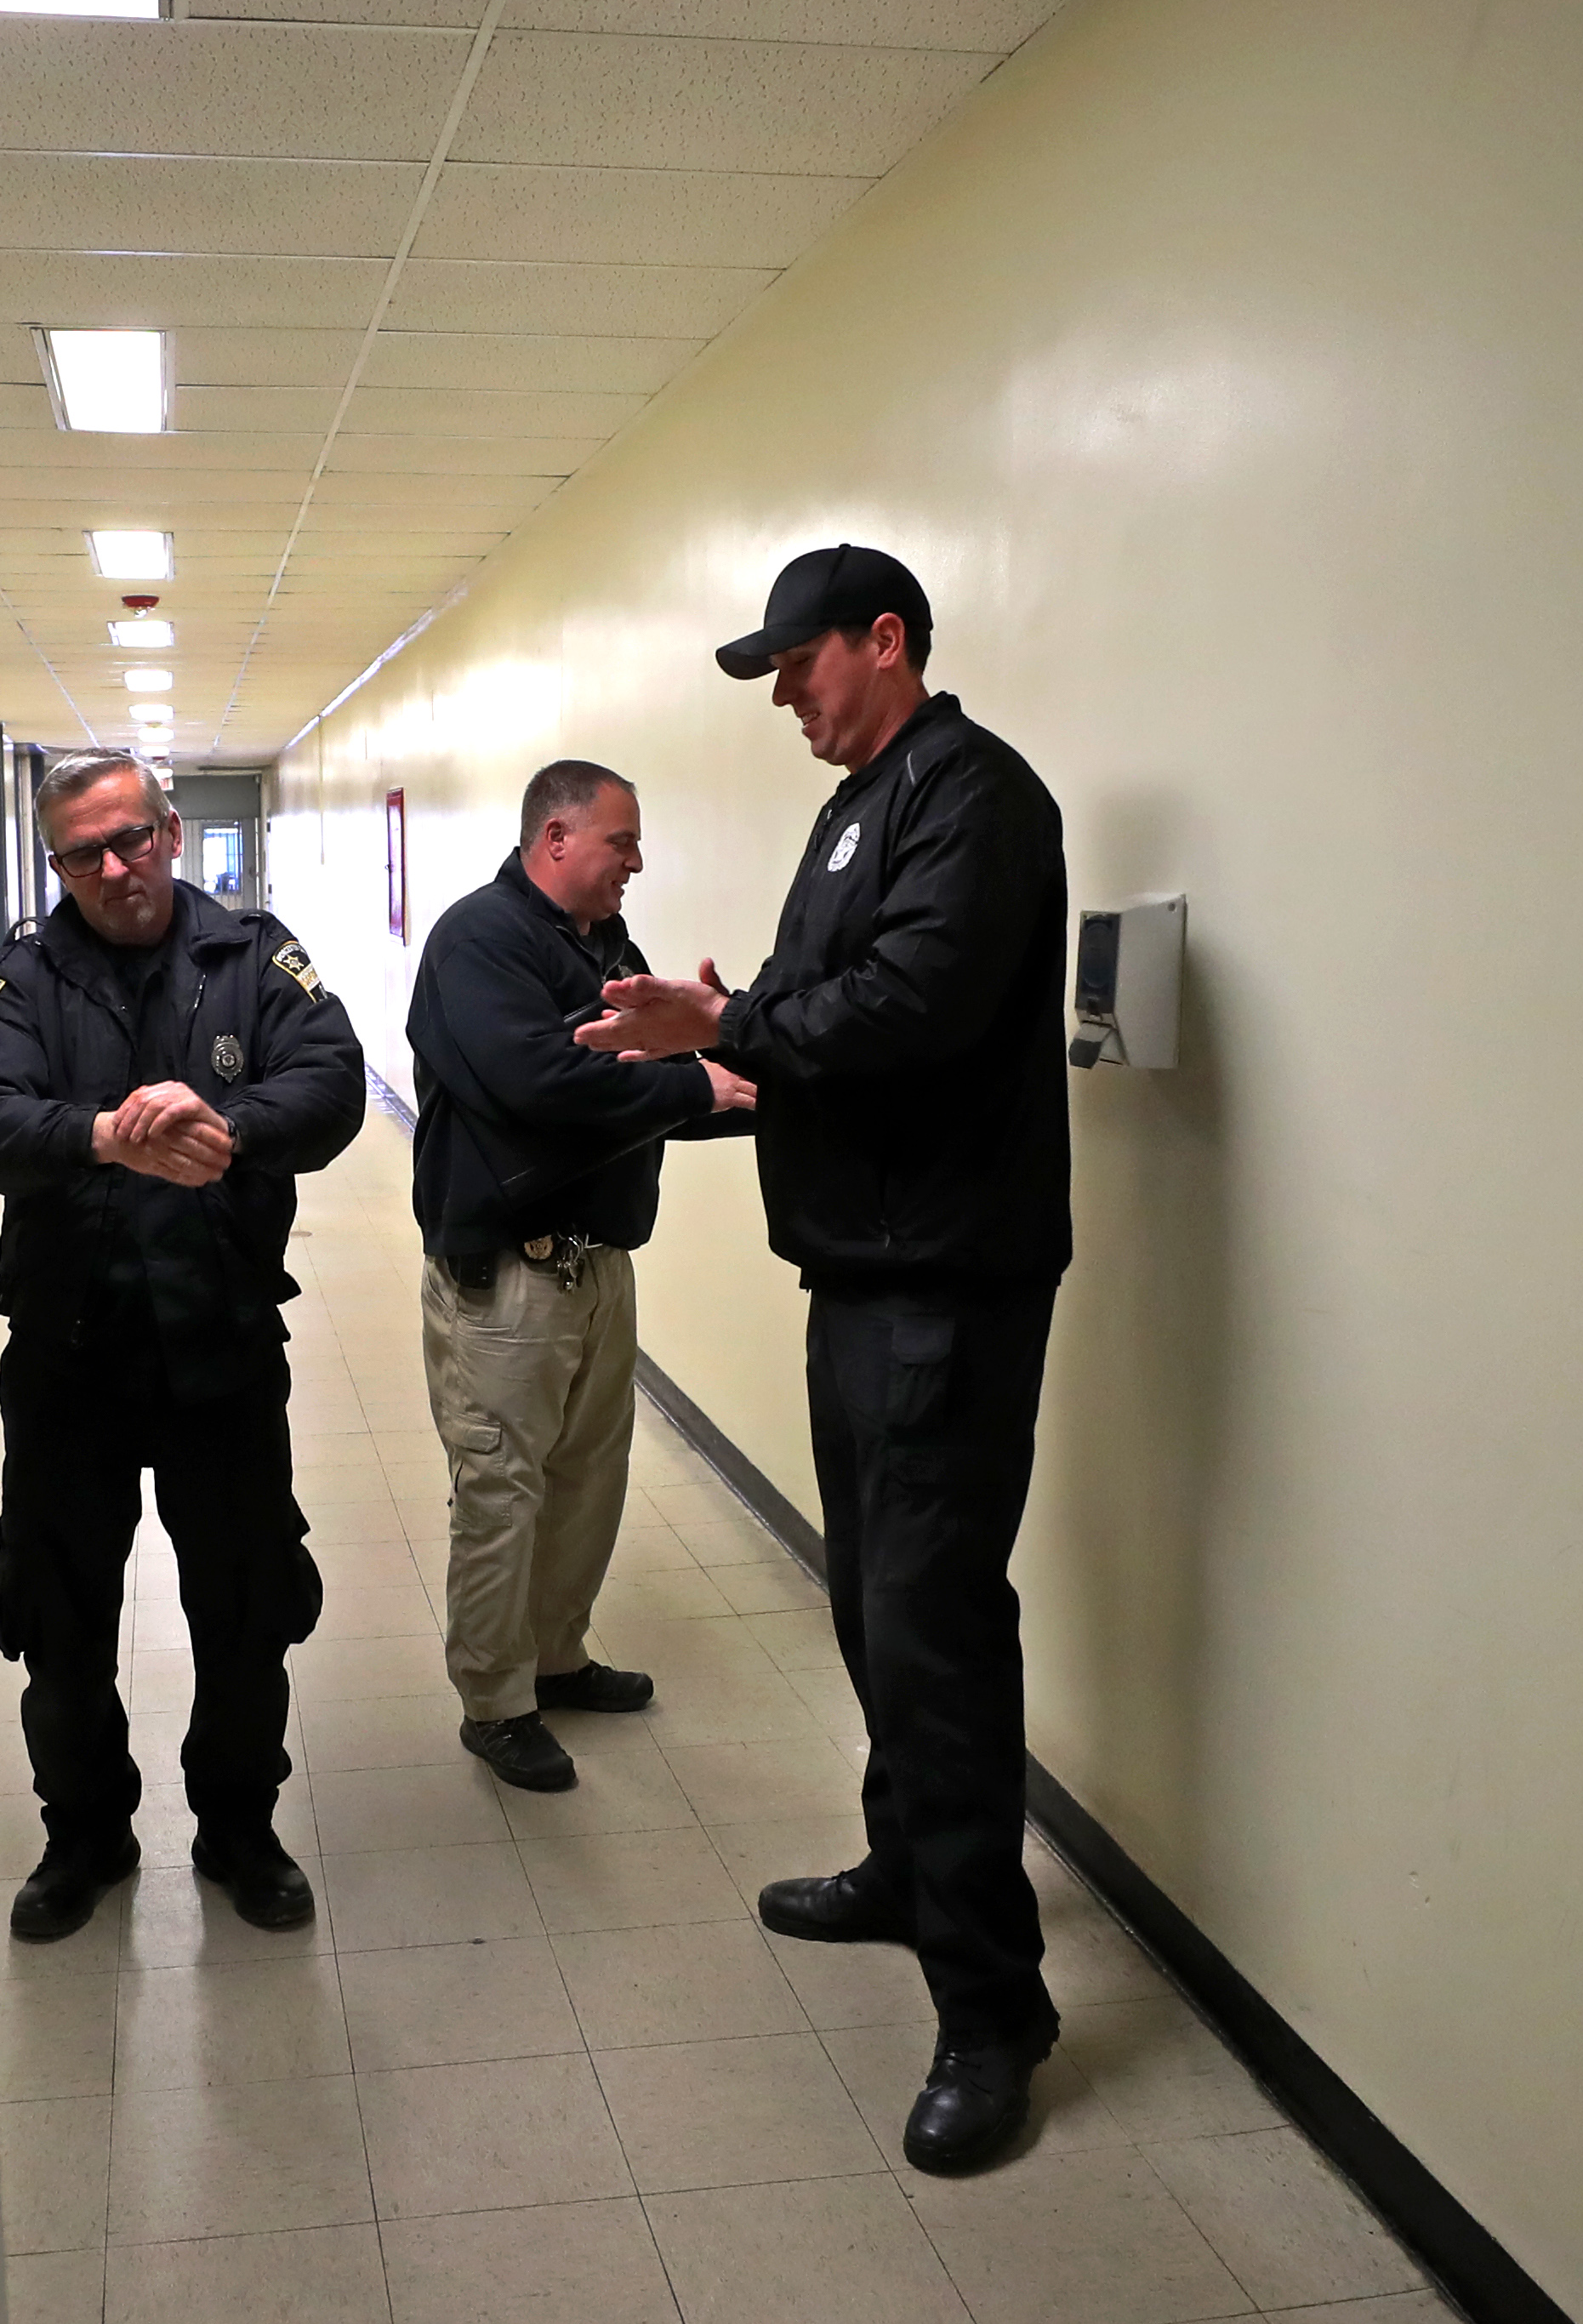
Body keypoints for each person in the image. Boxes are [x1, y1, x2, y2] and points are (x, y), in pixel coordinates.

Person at [577, 544, 1071, 2176]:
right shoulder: (858, 801)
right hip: (859, 1272)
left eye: (799, 662)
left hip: (948, 1281)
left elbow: (913, 1004)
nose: (783, 692)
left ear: (885, 638)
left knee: (934, 1629)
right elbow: (822, 993)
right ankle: (905, 1865)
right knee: (871, 1598)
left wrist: (720, 1028)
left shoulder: (976, 796)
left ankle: (993, 2006)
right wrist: (737, 1011)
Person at [0, 749, 367, 1942]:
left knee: (243, 1610)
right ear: (57, 864)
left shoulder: (251, 955)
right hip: (69, 1353)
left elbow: (331, 1085)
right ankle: (84, 1836)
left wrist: (219, 1126)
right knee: (59, 1615)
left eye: (131, 837)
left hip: (220, 1348)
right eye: (83, 851)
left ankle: (239, 1829)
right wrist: (102, 1136)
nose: (114, 866)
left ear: (173, 833)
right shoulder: (17, 980)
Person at [407, 760, 757, 1794]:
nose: (636, 862)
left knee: (587, 1475)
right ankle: (494, 1699)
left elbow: (634, 1080)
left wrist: (732, 1091)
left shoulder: (605, 946)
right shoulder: (478, 941)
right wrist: (688, 1079)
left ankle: (556, 1655)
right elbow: (539, 1084)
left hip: (598, 1264)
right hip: (507, 1276)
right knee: (503, 1487)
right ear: (556, 838)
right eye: (623, 841)